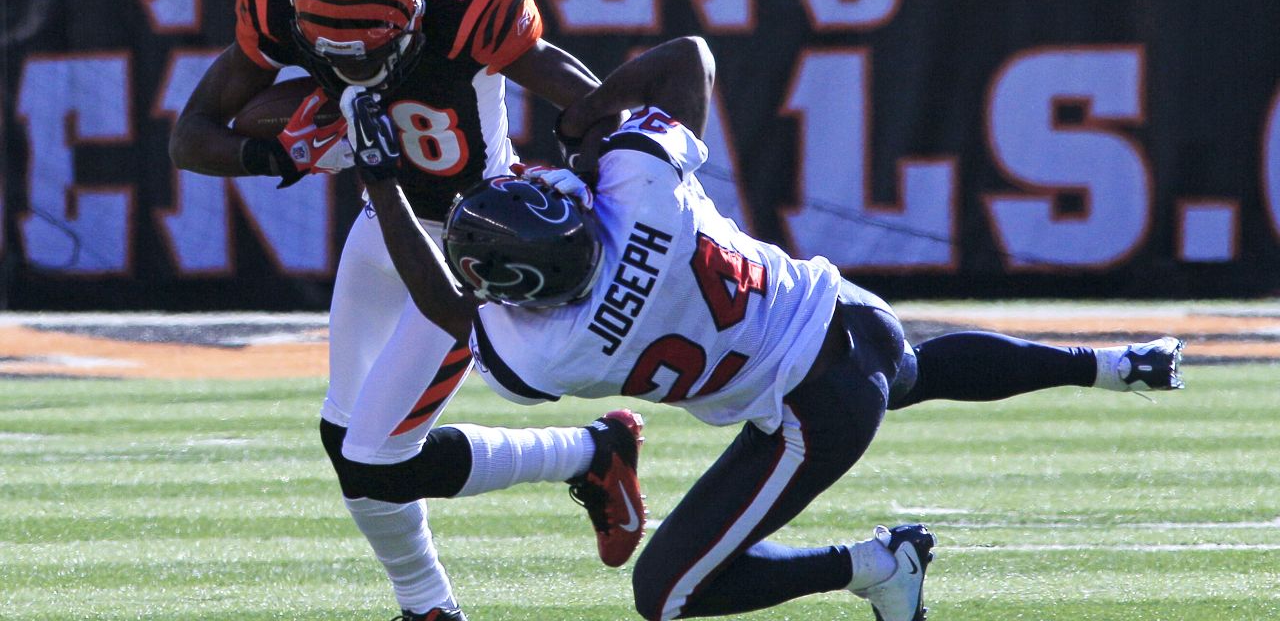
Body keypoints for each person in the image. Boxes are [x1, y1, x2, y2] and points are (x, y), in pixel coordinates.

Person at [350, 35, 1185, 621]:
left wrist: (380, 184)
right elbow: (687, 59)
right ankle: (1113, 364)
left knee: (669, 594)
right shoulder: (641, 192)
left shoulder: (557, 347)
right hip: (851, 314)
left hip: (809, 407)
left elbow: (449, 307)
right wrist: (588, 120)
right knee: (908, 370)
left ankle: (876, 564)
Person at [169, 0, 642, 621]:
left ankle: (586, 455)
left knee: (379, 459)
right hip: (384, 220)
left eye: (369, 55)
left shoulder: (470, 0)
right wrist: (281, 154)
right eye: (336, 60)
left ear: (414, 14)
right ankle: (429, 606)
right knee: (345, 438)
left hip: (472, 242)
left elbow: (597, 103)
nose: (353, 73)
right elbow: (191, 138)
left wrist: (597, 188)